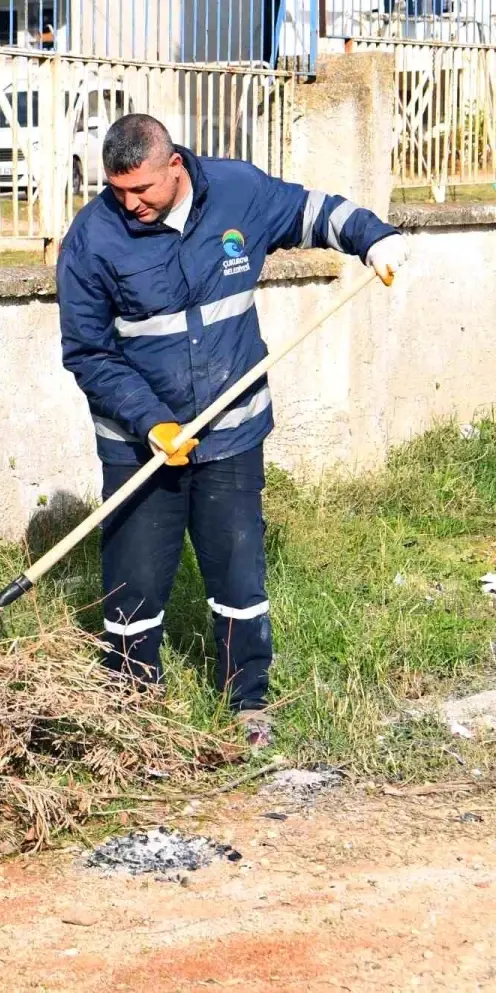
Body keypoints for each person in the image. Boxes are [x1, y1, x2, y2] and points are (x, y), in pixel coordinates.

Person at [56, 114, 410, 749]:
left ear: (174, 167)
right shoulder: (93, 238)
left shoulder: (237, 191)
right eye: (117, 191)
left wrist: (373, 238)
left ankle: (246, 700)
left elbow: (315, 212)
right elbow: (87, 351)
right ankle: (131, 707)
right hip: (142, 443)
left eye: (141, 190)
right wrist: (150, 421)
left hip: (232, 432)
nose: (130, 204)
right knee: (134, 580)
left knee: (238, 570)